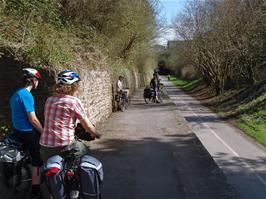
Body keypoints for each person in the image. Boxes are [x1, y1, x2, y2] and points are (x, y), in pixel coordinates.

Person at [40, 70, 100, 162]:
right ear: (73, 86)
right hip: (64, 144)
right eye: (77, 84)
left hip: (45, 145)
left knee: (44, 169)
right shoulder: (73, 101)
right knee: (87, 154)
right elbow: (87, 125)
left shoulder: (49, 100)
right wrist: (96, 134)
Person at [10, 68, 43, 199]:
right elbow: (33, 120)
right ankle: (35, 191)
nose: (38, 82)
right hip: (27, 132)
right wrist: (44, 132)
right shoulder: (27, 95)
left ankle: (25, 173)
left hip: (17, 130)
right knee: (38, 161)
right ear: (33, 80)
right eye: (37, 80)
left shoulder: (16, 93)